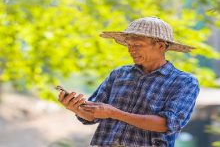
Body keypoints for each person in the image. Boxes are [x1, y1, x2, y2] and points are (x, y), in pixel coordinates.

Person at [58, 17, 200, 147]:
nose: (130, 50)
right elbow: (93, 115)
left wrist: (114, 113)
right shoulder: (119, 74)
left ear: (161, 46)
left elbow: (167, 124)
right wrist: (75, 108)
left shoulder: (184, 82)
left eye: (137, 45)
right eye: (129, 45)